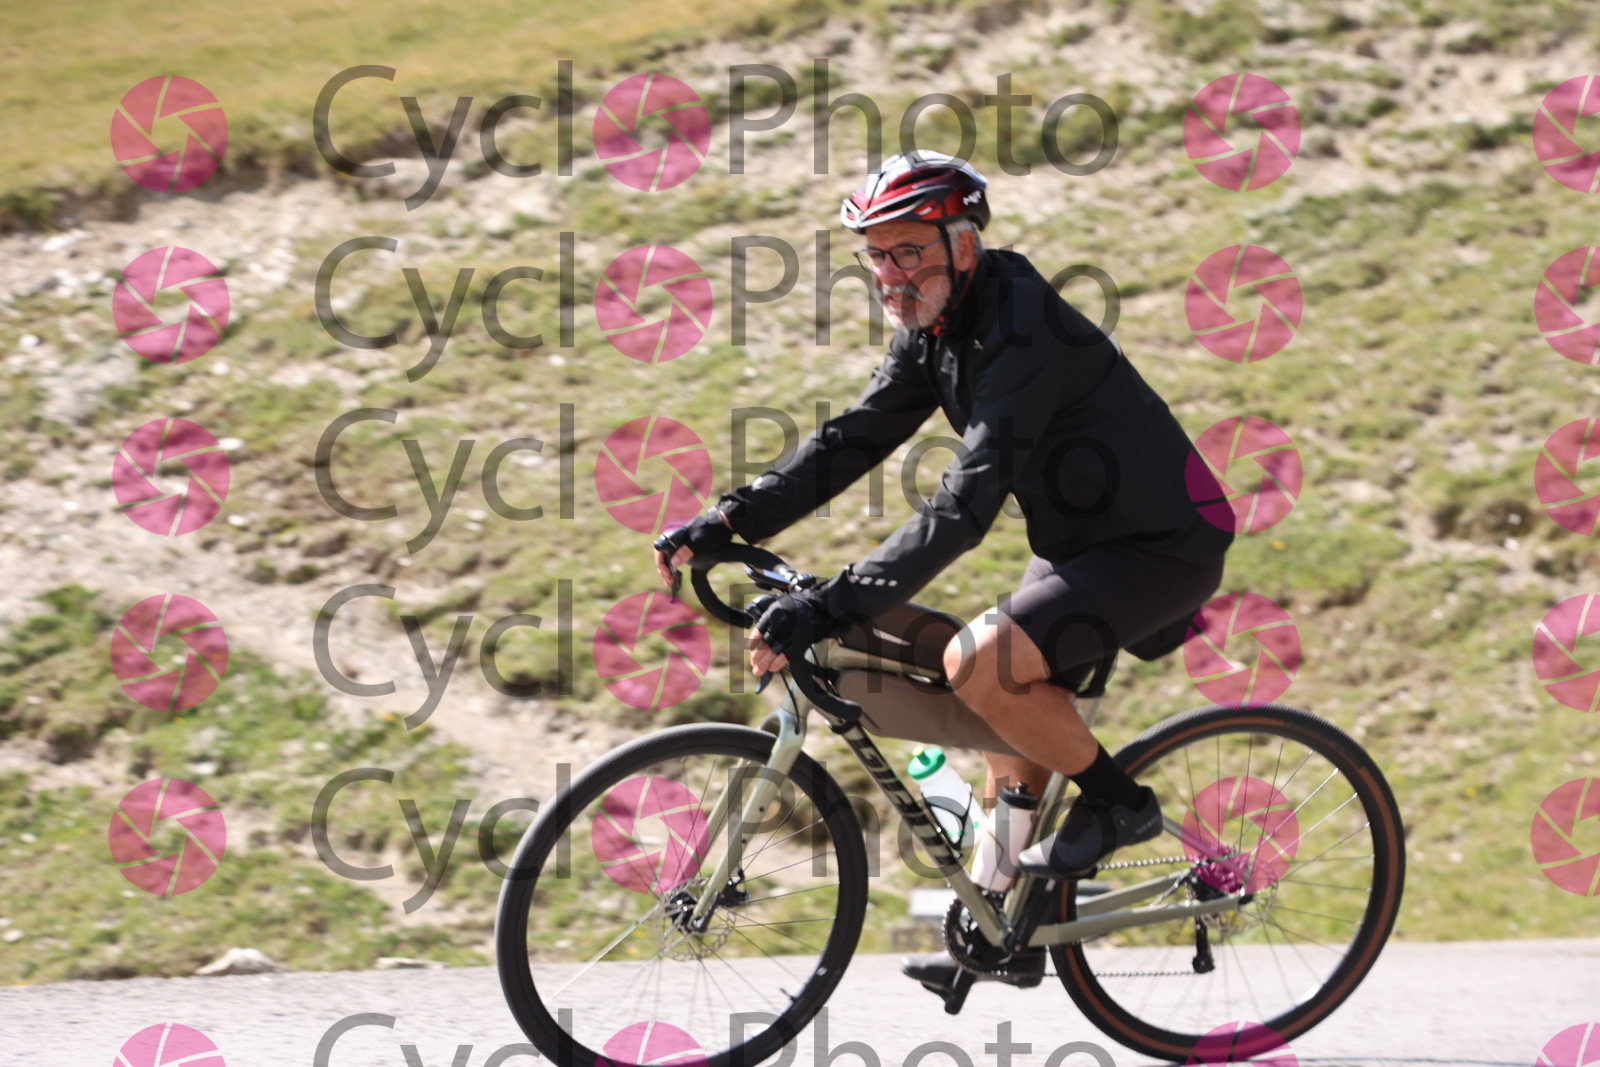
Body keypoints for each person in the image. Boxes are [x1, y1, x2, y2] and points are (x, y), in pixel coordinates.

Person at [652, 150, 1233, 995]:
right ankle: (1007, 933)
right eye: (876, 256)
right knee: (1009, 724)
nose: (889, 274)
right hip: (1080, 543)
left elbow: (964, 504)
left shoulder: (1022, 331)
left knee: (979, 662)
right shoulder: (936, 325)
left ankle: (1120, 804)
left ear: (963, 243)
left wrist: (832, 603)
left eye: (908, 252)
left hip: (1162, 543)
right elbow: (852, 437)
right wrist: (730, 519)